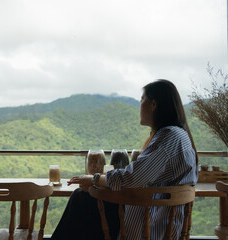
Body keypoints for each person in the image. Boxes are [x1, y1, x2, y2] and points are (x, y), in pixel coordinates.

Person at [51, 79, 198, 240]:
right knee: (85, 200)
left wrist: (94, 179)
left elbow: (132, 177)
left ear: (153, 104)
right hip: (159, 217)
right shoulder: (179, 136)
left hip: (151, 225)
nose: (139, 105)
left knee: (81, 199)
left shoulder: (169, 137)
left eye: (142, 100)